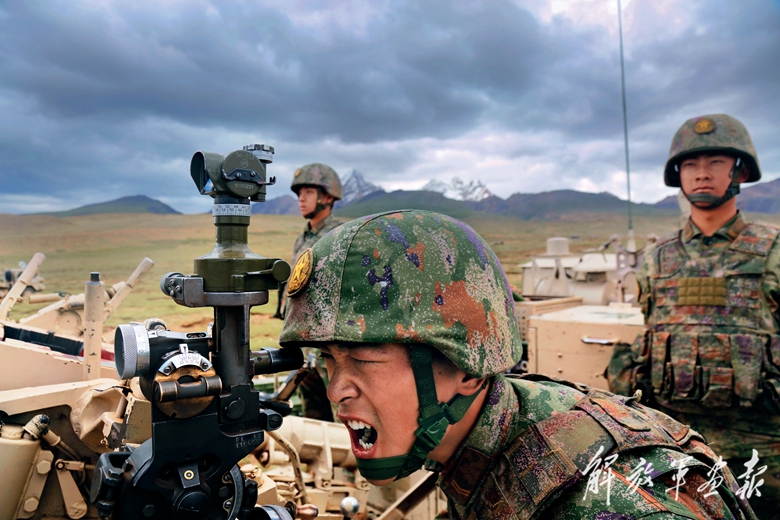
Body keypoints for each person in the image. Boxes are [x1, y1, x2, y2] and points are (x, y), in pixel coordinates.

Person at [281, 209, 755, 519]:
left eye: (365, 359)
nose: (337, 389)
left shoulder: (607, 500)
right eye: (329, 360)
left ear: (467, 369)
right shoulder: (471, 438)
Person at [608, 113, 780, 518]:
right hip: (673, 444)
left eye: (716, 162)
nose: (702, 173)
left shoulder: (773, 250)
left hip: (761, 451)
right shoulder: (657, 258)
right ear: (678, 175)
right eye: (691, 164)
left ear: (740, 172)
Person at [277, 163, 344, 420]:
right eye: (299, 193)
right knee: (313, 413)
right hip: (304, 340)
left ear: (327, 197)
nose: (301, 199)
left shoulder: (340, 235)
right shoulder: (303, 238)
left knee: (342, 409)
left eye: (308, 192)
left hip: (329, 341)